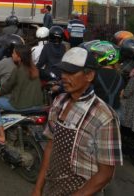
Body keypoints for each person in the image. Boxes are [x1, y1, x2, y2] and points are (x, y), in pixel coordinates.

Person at [33, 47, 122, 196]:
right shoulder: (59, 101)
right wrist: (38, 188)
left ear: (89, 75)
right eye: (63, 71)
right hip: (53, 187)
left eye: (71, 72)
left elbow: (106, 173)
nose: (64, 77)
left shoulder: (105, 116)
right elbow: (50, 146)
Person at [0, 45, 45, 144]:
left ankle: (1, 135)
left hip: (21, 105)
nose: (12, 55)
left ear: (19, 57)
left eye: (14, 53)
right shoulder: (34, 69)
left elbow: (7, 87)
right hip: (38, 105)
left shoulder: (18, 70)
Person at [86, 40, 124, 111]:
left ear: (107, 56)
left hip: (97, 111)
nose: (94, 57)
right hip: (115, 112)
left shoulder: (94, 74)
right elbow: (121, 95)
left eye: (96, 55)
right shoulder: (120, 76)